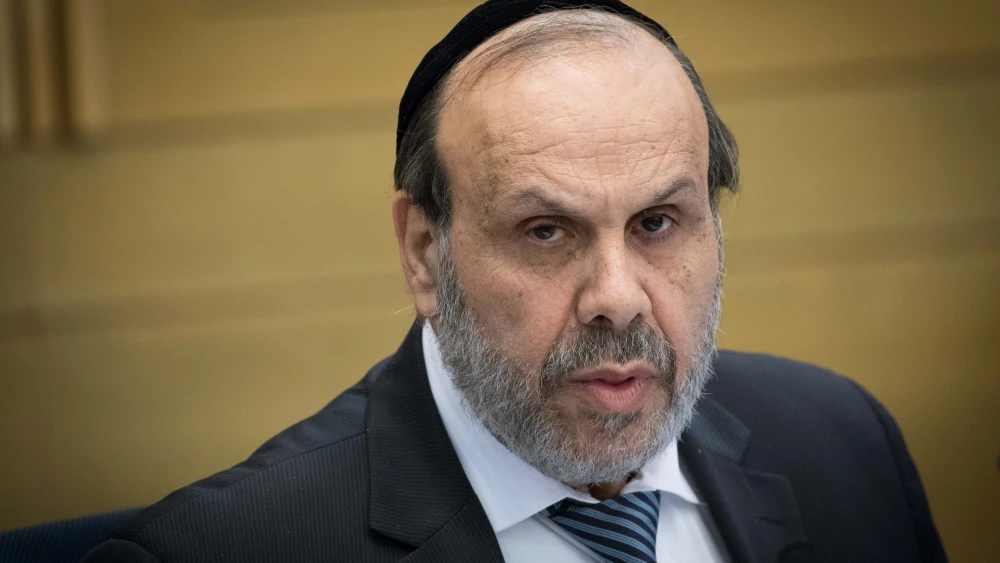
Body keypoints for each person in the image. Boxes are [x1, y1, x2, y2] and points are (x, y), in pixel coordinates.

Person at [84, 1, 946, 562]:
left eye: (657, 223)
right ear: (425, 250)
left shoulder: (844, 444)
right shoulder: (220, 551)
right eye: (545, 231)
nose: (618, 295)